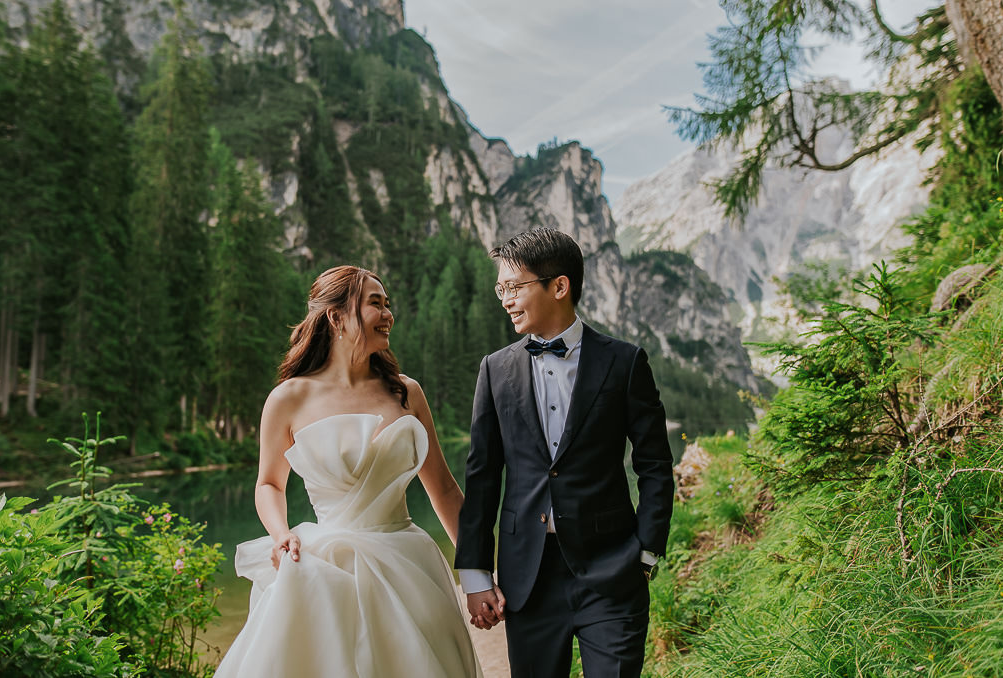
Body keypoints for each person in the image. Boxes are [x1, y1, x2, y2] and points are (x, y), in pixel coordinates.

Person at [214, 265, 481, 677]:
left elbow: (444, 490)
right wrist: (281, 534)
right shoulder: (288, 398)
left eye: (388, 303)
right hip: (324, 568)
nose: (388, 313)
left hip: (408, 565)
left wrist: (478, 573)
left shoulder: (406, 392)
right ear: (336, 316)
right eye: (375, 303)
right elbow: (269, 483)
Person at [454, 228, 674, 678]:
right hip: (527, 577)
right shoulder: (495, 369)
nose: (505, 299)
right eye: (501, 289)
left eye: (515, 287)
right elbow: (482, 477)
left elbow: (654, 464)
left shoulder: (625, 362)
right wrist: (476, 575)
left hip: (612, 569)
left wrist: (647, 552)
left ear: (559, 286)